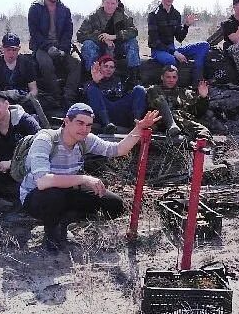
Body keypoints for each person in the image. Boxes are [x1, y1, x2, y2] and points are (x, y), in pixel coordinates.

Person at [20, 103, 160, 251]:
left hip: (67, 191)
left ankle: (63, 222)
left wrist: (139, 128)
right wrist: (84, 179)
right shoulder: (46, 139)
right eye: (80, 123)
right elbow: (43, 182)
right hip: (36, 196)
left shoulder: (85, 139)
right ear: (67, 121)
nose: (84, 129)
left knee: (115, 205)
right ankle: (51, 233)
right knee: (53, 195)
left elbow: (117, 149)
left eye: (88, 125)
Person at [27, 0, 81, 107]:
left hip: (62, 46)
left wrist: (63, 49)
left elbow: (68, 32)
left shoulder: (64, 10)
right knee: (46, 64)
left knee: (77, 62)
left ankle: (69, 96)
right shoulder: (35, 8)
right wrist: (49, 47)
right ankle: (56, 96)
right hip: (42, 46)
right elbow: (35, 33)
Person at [148, 0, 209, 87]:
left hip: (173, 48)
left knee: (204, 45)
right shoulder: (153, 15)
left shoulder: (176, 14)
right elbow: (154, 41)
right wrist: (175, 53)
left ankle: (197, 82)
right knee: (170, 60)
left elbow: (179, 37)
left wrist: (186, 25)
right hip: (159, 50)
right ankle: (172, 89)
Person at [0, 32, 50, 128]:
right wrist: (5, 96)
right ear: (2, 49)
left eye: (14, 50)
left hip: (21, 100)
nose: (11, 53)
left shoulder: (26, 64)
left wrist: (26, 97)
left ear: (19, 49)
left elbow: (34, 89)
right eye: (8, 49)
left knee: (36, 108)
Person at [76, 0, 141, 82]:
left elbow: (134, 31)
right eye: (107, 3)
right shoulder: (93, 17)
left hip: (118, 48)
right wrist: (102, 38)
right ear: (102, 3)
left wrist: (114, 36)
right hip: (100, 48)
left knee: (132, 42)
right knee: (88, 45)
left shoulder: (123, 16)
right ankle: (91, 77)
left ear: (117, 4)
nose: (110, 6)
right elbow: (80, 35)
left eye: (113, 3)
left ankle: (134, 78)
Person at [146, 65, 212, 142]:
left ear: (177, 78)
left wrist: (203, 98)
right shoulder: (154, 90)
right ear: (162, 77)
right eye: (168, 77)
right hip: (160, 122)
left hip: (182, 123)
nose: (171, 80)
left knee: (204, 132)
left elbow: (196, 112)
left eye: (174, 77)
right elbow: (153, 106)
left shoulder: (184, 93)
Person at [84, 55, 147, 134]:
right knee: (92, 90)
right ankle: (107, 125)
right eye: (105, 66)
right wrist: (95, 82)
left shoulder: (120, 79)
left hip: (120, 109)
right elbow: (86, 97)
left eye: (111, 67)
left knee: (139, 89)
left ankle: (136, 123)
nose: (108, 69)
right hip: (103, 112)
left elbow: (133, 94)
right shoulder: (91, 83)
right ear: (100, 67)